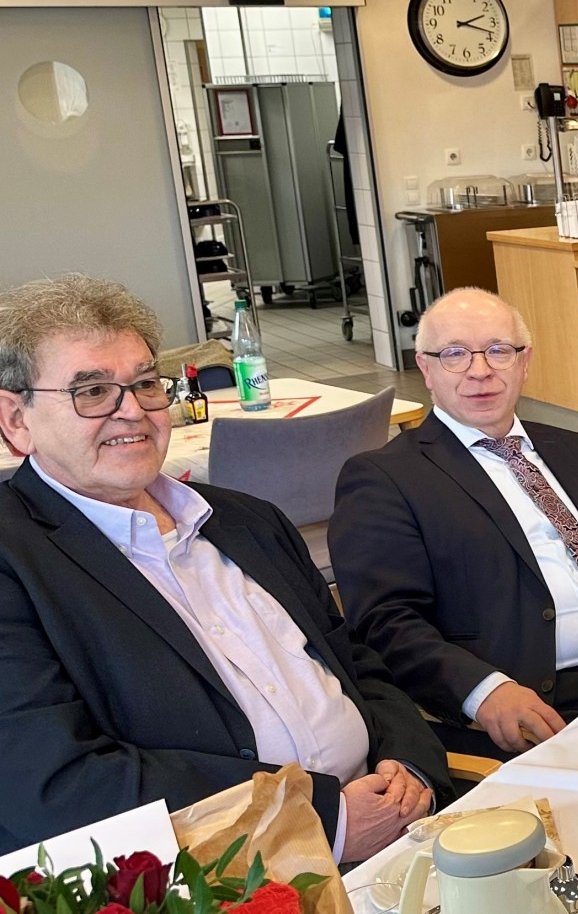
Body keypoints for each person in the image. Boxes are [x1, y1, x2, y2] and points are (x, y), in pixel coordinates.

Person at [0, 276, 449, 860]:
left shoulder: (246, 520)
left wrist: (407, 761)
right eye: (92, 392)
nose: (131, 410)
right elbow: (53, 786)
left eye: (143, 383)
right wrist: (322, 819)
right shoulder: (16, 562)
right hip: (224, 878)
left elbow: (356, 663)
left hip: (397, 830)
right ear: (16, 421)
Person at [330, 289, 578, 759]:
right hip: (534, 701)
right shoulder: (385, 478)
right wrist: (484, 690)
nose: (481, 370)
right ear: (426, 368)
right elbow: (386, 621)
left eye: (499, 350)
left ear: (525, 362)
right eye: (455, 354)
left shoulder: (571, 449)